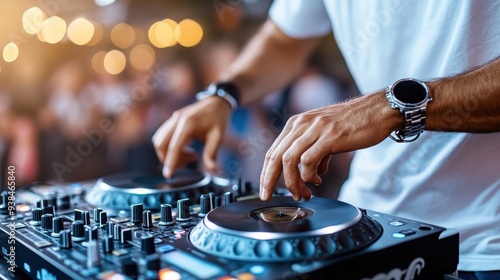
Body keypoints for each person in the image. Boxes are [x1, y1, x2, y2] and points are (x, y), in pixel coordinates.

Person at [152, 1, 500, 278]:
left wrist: (386, 108)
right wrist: (222, 94)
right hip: (369, 225)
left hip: (487, 245)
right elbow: (283, 39)